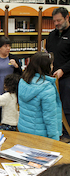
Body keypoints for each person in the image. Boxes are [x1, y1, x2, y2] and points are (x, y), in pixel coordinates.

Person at [18, 52, 62, 140]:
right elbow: (50, 118)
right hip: (41, 135)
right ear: (45, 66)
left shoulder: (23, 81)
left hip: (24, 129)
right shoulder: (47, 88)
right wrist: (55, 139)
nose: (53, 66)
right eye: (51, 64)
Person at [46, 7, 70, 140]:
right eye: (54, 21)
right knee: (54, 105)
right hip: (53, 77)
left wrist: (63, 69)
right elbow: (49, 54)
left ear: (67, 18)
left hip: (67, 77)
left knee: (67, 106)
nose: (56, 24)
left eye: (59, 20)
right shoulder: (52, 35)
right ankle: (59, 130)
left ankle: (68, 134)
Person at [0, 36, 22, 123]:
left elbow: (20, 74)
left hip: (11, 87)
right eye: (5, 46)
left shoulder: (14, 58)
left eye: (9, 46)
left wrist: (17, 66)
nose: (8, 48)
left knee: (10, 108)